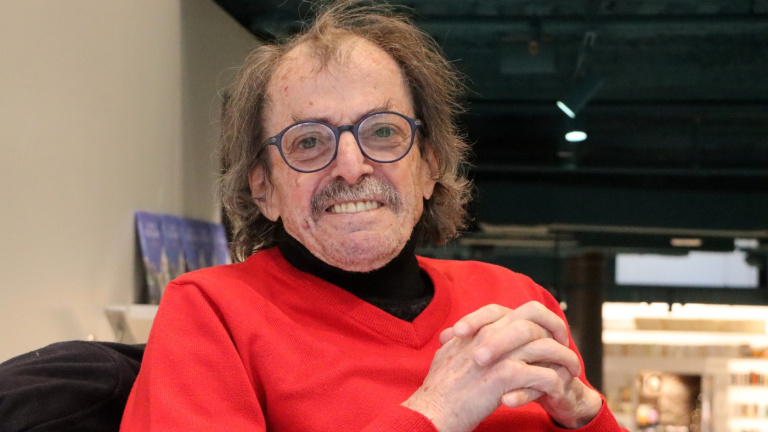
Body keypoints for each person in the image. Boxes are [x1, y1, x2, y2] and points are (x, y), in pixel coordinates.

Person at [120, 1, 625, 431]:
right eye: (309, 141)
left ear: (428, 167)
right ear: (264, 189)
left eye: (382, 132)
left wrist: (584, 413)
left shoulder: (515, 301)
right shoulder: (210, 313)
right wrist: (435, 412)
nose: (351, 165)